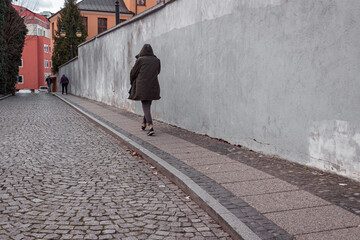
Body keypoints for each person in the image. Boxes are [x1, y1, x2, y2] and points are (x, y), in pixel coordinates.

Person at [129, 44, 161, 136]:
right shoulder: (157, 60)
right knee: (148, 104)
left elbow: (133, 73)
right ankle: (143, 124)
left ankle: (150, 126)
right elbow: (158, 71)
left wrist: (132, 82)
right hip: (153, 84)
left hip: (142, 86)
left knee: (145, 105)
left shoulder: (140, 60)